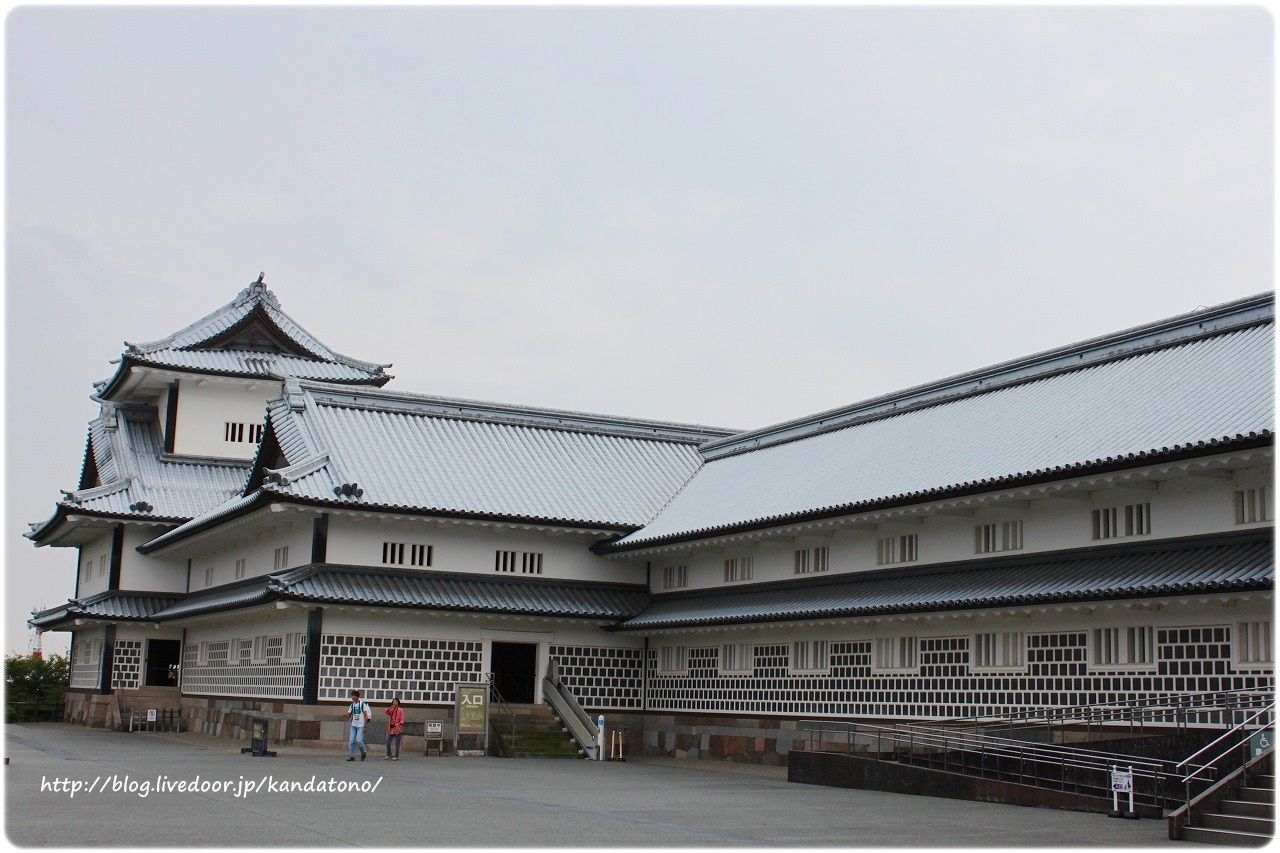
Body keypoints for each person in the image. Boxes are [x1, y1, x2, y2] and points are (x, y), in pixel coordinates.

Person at [345, 690, 372, 761]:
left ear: (357, 696)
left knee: (359, 740)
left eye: (354, 696)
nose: (352, 697)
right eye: (352, 696)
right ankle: (351, 756)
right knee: (351, 741)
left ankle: (364, 752)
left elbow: (366, 715)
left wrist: (365, 725)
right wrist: (344, 715)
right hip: (353, 725)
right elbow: (349, 714)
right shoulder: (352, 705)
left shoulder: (362, 705)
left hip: (360, 726)